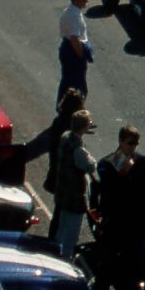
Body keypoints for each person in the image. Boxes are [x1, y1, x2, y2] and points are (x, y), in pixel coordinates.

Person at [95, 125, 145, 290]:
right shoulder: (107, 163)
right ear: (120, 142)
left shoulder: (141, 161)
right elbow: (109, 192)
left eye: (136, 143)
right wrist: (123, 174)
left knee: (133, 262)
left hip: (135, 221)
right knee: (108, 259)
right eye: (130, 143)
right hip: (115, 221)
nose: (133, 147)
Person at [52, 110, 98, 260]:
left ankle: (54, 257)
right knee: (71, 237)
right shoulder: (77, 149)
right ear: (84, 127)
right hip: (74, 199)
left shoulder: (65, 137)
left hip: (62, 194)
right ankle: (65, 262)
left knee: (61, 231)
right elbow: (90, 165)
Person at [59, 0, 93, 99]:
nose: (86, 2)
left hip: (69, 48)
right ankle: (73, 109)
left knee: (68, 81)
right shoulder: (73, 16)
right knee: (77, 84)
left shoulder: (73, 12)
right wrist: (81, 56)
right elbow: (74, 39)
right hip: (72, 51)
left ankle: (64, 107)